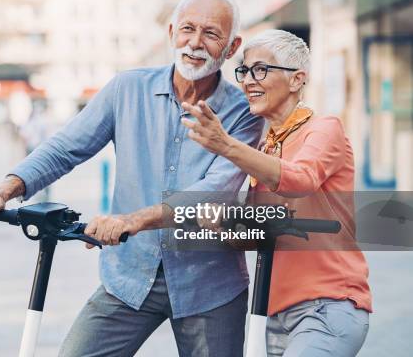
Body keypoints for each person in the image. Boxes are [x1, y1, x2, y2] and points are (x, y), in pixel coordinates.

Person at [0, 0, 264, 356]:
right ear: (171, 33)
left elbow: (213, 194)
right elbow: (65, 147)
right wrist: (6, 189)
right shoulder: (127, 89)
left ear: (232, 48)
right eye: (187, 29)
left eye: (211, 34)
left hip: (209, 284)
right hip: (129, 275)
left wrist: (134, 219)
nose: (195, 42)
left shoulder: (243, 114)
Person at [105, 29, 371, 356]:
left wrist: (225, 145)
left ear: (297, 79)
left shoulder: (324, 129)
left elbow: (301, 179)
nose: (247, 81)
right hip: (275, 313)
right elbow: (264, 233)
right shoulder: (267, 146)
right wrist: (222, 228)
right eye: (243, 71)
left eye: (261, 70)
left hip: (326, 306)